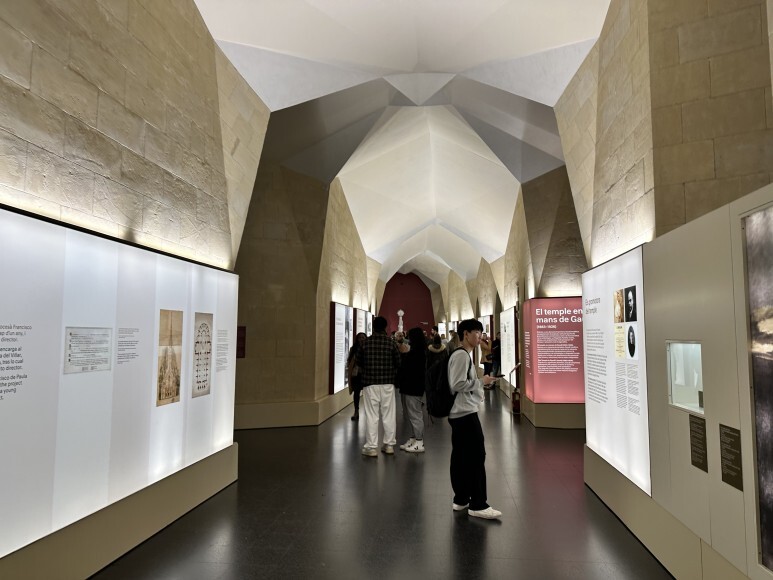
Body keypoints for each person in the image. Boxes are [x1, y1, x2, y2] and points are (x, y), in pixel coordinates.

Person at [448, 319, 501, 519]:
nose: (480, 336)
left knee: (461, 456)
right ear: (466, 334)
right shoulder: (462, 355)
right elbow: (457, 384)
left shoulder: (463, 355)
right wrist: (481, 381)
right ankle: (478, 503)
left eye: (481, 332)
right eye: (477, 332)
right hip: (464, 413)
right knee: (476, 456)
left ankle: (461, 498)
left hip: (461, 412)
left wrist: (480, 384)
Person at [356, 316, 401, 457]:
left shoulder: (365, 343)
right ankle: (389, 445)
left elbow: (359, 361)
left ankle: (371, 447)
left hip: (370, 383)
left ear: (373, 327)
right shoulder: (391, 343)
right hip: (388, 383)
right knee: (389, 415)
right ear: (385, 327)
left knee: (372, 415)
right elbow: (398, 363)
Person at [396, 327, 427, 453]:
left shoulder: (418, 353)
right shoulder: (416, 351)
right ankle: (414, 438)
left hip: (413, 388)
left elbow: (410, 369)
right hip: (409, 387)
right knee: (410, 414)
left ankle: (419, 441)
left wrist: (404, 356)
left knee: (415, 414)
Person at [347, 332, 367, 421]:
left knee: (368, 393)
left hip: (366, 374)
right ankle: (356, 411)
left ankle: (368, 411)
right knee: (356, 393)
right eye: (360, 337)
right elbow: (350, 361)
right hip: (356, 374)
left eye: (363, 337)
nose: (362, 339)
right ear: (357, 339)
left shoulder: (368, 348)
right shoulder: (353, 349)